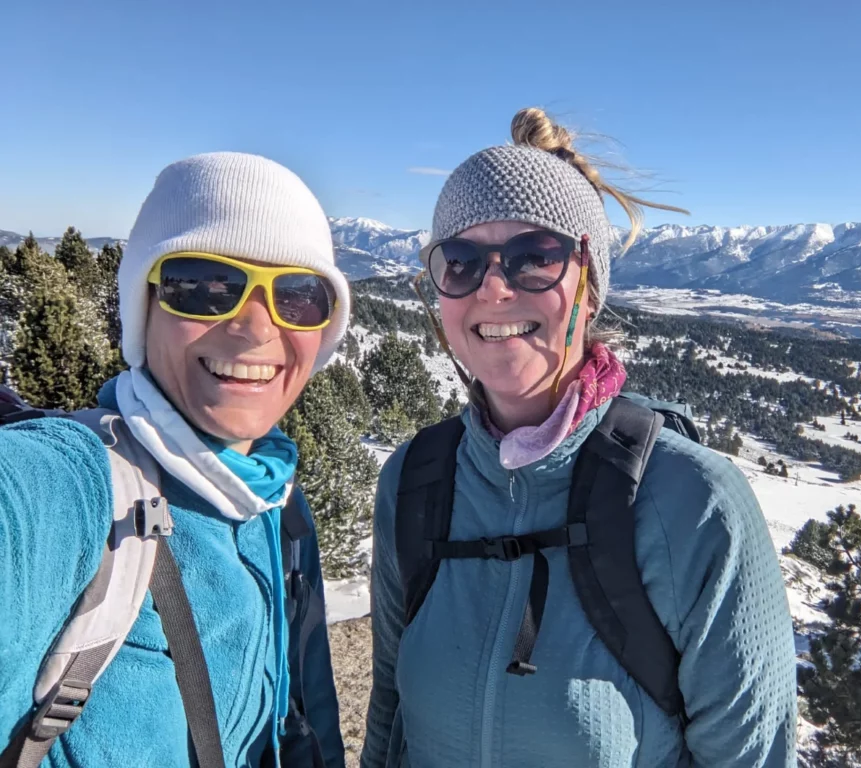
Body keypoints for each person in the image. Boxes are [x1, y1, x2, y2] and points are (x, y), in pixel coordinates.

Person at [362, 108, 797, 767]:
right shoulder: (416, 481)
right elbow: (390, 721)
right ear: (439, 291)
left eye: (534, 259)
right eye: (462, 261)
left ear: (589, 287)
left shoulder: (695, 502)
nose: (496, 288)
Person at [0, 153, 350, 767]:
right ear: (146, 306)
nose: (254, 327)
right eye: (204, 285)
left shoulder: (278, 505)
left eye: (298, 296)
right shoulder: (73, 487)